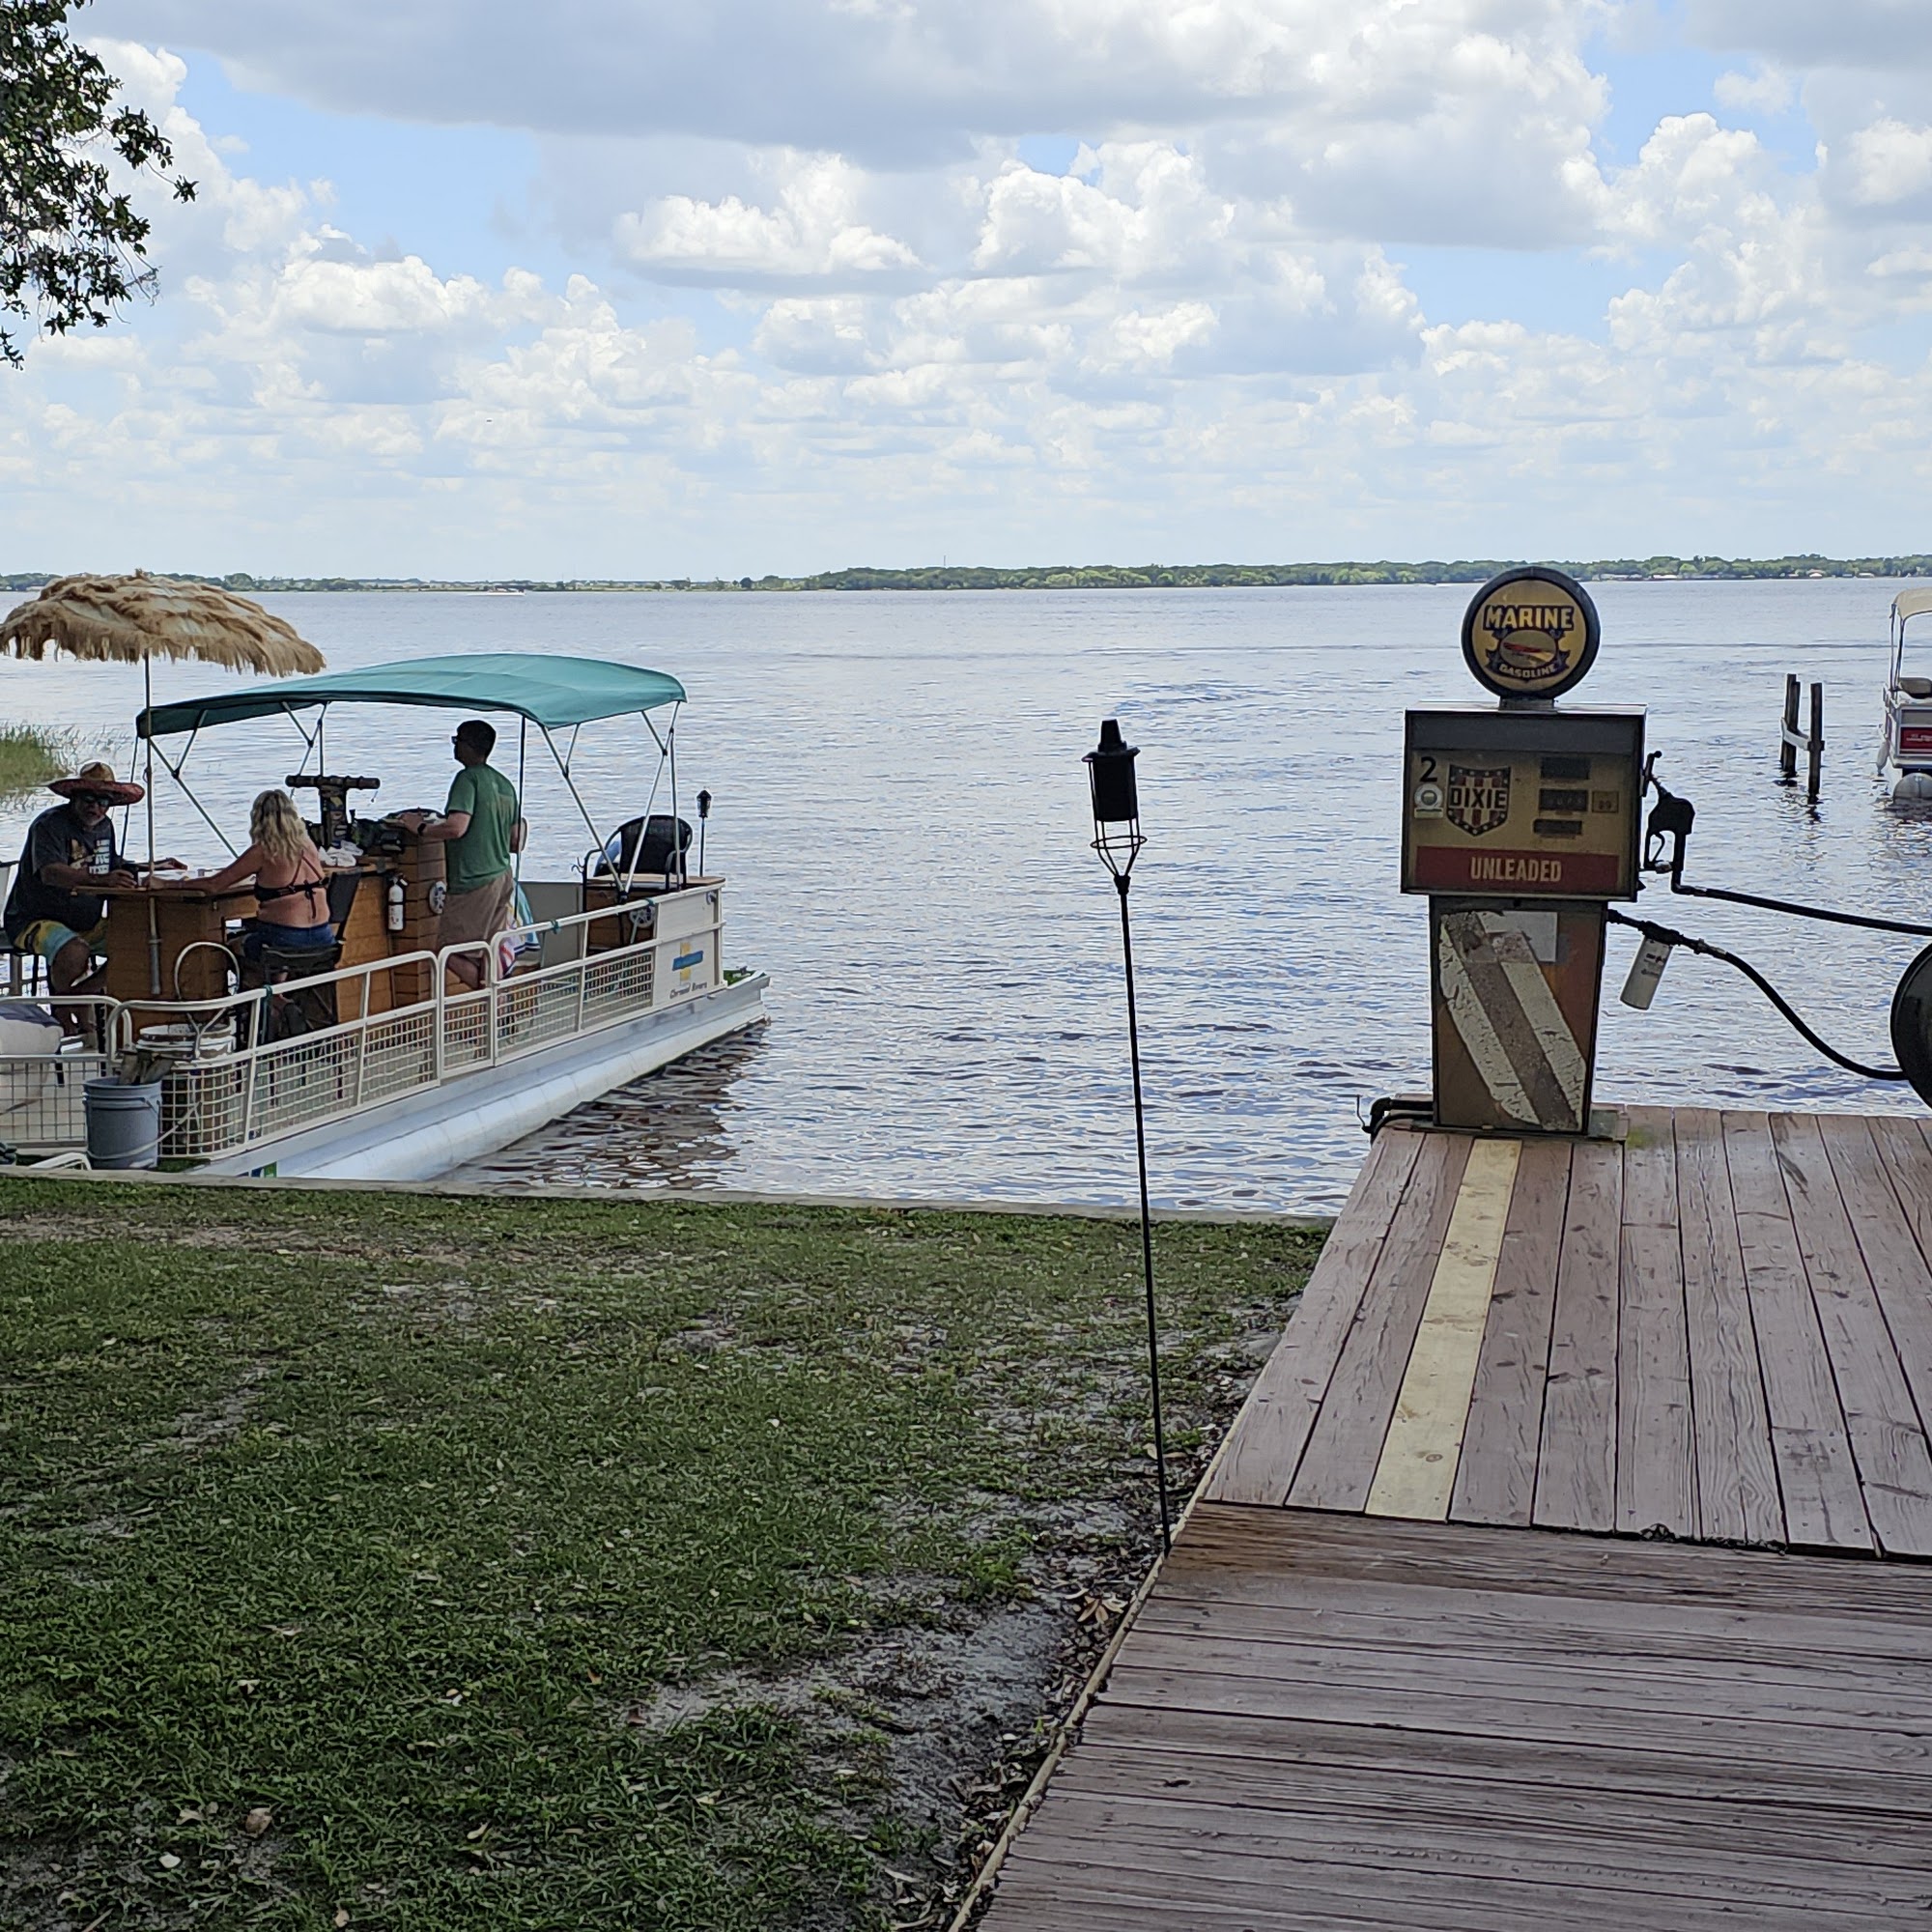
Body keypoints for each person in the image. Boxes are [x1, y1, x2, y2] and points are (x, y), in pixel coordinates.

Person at [3, 762, 143, 1032]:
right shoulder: (49, 825)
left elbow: (112, 864)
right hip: (33, 920)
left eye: (103, 801)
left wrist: (154, 866)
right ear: (74, 797)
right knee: (74, 949)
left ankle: (74, 997)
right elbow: (51, 873)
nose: (96, 807)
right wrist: (101, 881)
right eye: (88, 799)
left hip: (87, 921)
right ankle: (64, 1022)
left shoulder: (106, 828)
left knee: (139, 943)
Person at [399, 718, 525, 990]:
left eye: (457, 741)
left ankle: (495, 999)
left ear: (469, 746)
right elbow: (516, 841)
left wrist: (418, 826)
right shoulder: (505, 784)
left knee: (448, 951)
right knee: (488, 950)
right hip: (502, 876)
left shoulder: (467, 779)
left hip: (473, 880)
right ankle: (495, 1007)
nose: (455, 746)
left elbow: (456, 828)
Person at [158, 788, 334, 971]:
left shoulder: (263, 851)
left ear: (259, 819)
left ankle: (260, 996)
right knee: (265, 937)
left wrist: (167, 884)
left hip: (286, 941)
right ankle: (277, 992)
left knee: (234, 944)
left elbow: (214, 885)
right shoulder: (308, 845)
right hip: (324, 937)